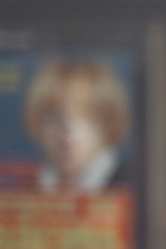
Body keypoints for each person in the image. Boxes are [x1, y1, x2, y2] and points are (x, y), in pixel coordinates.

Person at [22, 60, 131, 192]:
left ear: (109, 121)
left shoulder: (138, 188)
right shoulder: (22, 188)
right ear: (36, 121)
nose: (69, 133)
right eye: (55, 118)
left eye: (87, 117)